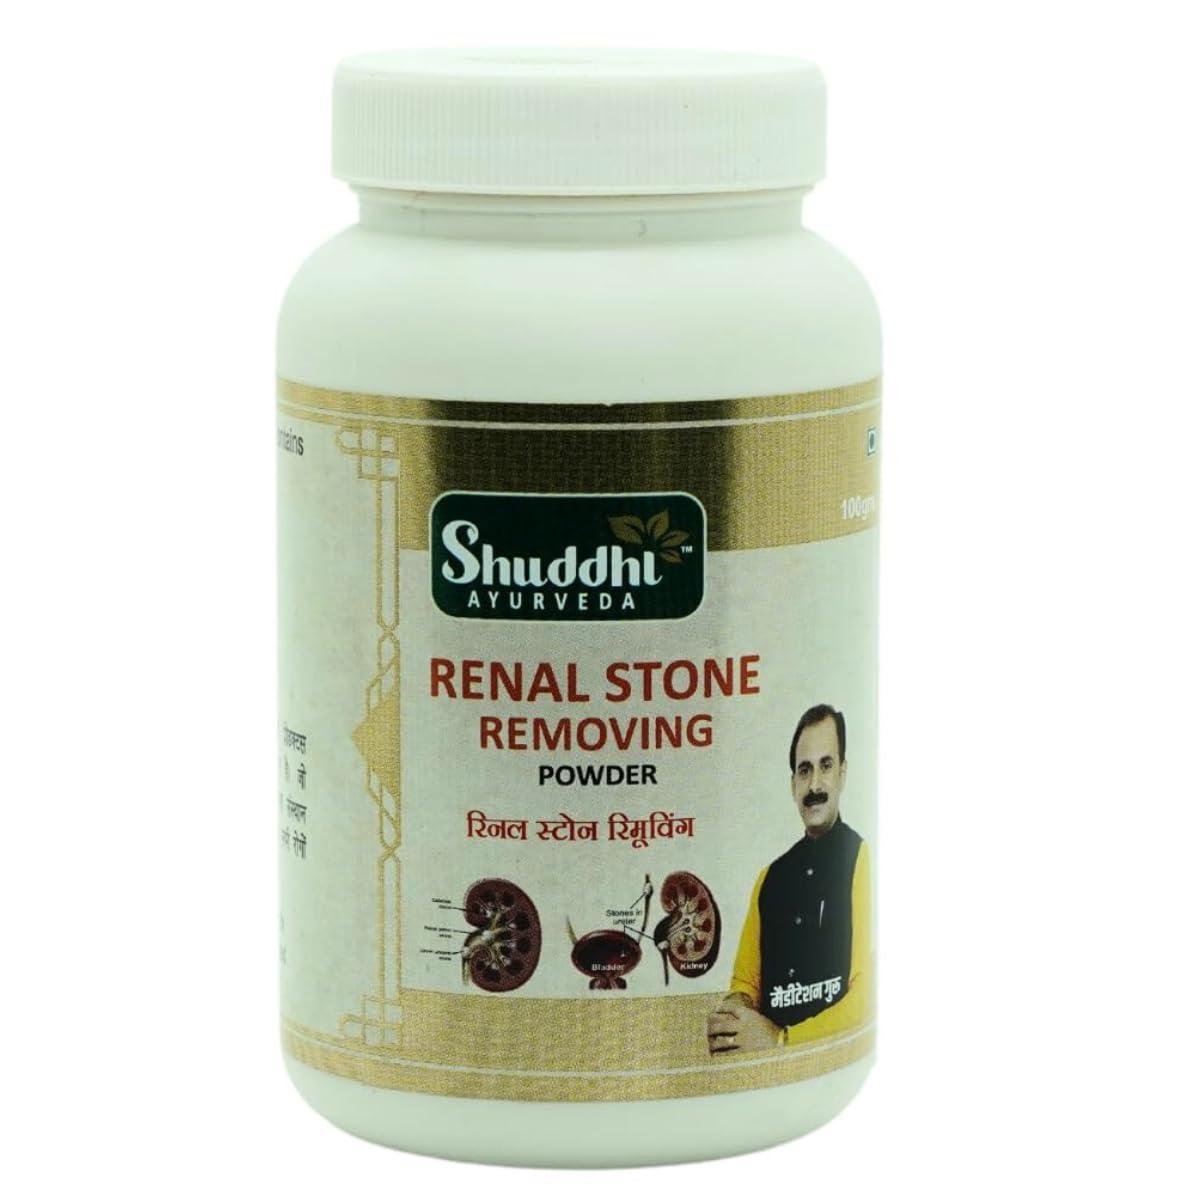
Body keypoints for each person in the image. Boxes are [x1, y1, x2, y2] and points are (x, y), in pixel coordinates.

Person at [707, 704, 871, 1053]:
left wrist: (783, 1039)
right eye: (804, 770)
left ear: (843, 773)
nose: (815, 785)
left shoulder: (862, 859)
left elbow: (868, 996)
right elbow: (745, 984)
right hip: (768, 1070)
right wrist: (734, 1012)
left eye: (826, 766)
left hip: (829, 1057)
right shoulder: (769, 878)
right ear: (792, 783)